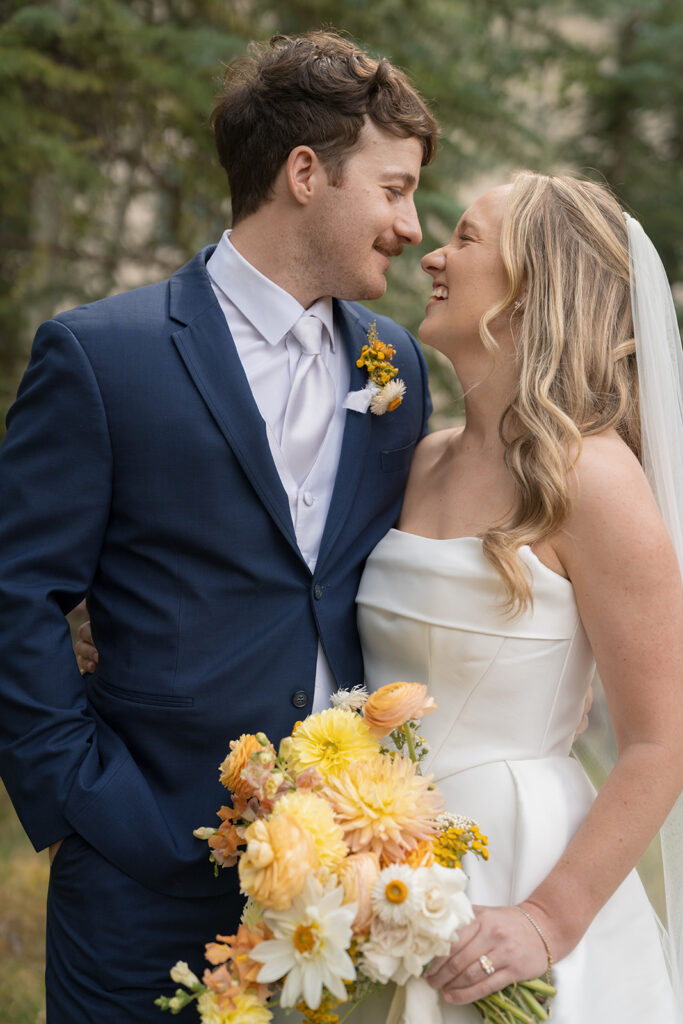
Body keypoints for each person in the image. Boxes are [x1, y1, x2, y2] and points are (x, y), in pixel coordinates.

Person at [0, 32, 437, 1023]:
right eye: (394, 188)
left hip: (343, 892)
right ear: (302, 174)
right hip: (141, 872)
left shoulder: (394, 366)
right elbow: (16, 589)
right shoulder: (104, 355)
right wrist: (76, 797)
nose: (410, 226)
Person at [352, 172, 683, 1021]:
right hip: (379, 870)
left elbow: (661, 737)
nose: (432, 253)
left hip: (520, 862)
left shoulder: (594, 478)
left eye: (463, 239)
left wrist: (547, 918)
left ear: (531, 287)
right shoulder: (421, 457)